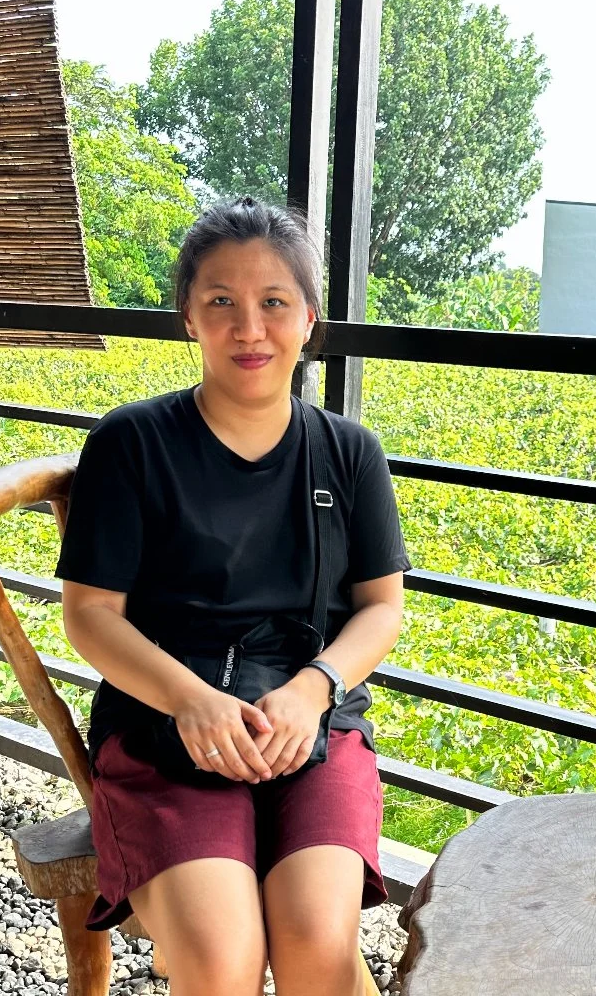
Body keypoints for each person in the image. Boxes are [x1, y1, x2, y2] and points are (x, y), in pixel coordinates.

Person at [54, 196, 411, 996]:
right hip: (163, 724)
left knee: (320, 943)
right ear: (188, 316)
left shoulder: (348, 453)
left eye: (273, 302)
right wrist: (191, 700)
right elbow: (90, 615)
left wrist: (314, 690)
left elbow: (382, 606)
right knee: (221, 963)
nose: (249, 327)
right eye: (221, 301)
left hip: (306, 725)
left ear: (310, 317)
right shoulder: (133, 442)